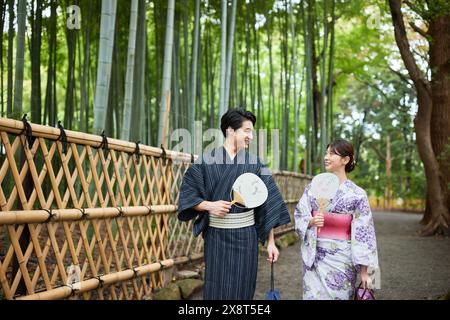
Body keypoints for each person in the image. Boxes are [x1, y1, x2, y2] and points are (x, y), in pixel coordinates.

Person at [178, 107, 291, 300]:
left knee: (243, 288)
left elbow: (267, 203)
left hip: (246, 236)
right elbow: (188, 197)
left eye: (252, 132)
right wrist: (209, 206)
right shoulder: (205, 161)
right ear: (230, 130)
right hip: (216, 237)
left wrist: (271, 242)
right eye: (247, 130)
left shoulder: (256, 164)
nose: (251, 136)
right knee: (216, 288)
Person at [294, 139, 379, 300]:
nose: (327, 157)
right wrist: (311, 221)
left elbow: (364, 233)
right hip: (314, 256)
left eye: (332, 154)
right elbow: (300, 213)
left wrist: (364, 272)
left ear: (345, 160)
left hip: (342, 258)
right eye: (326, 153)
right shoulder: (314, 186)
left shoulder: (357, 194)